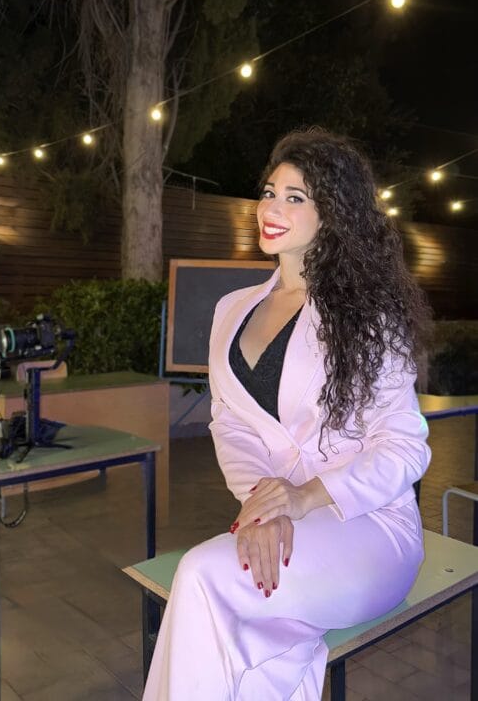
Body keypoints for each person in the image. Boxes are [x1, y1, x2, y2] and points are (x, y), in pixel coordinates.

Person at [142, 128, 432, 701]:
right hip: (282, 520)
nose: (270, 208)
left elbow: (405, 448)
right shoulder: (232, 308)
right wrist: (263, 507)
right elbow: (230, 424)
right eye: (269, 192)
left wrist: (302, 498)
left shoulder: (368, 315)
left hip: (368, 526)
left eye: (295, 197)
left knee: (202, 577)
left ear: (334, 214)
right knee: (233, 635)